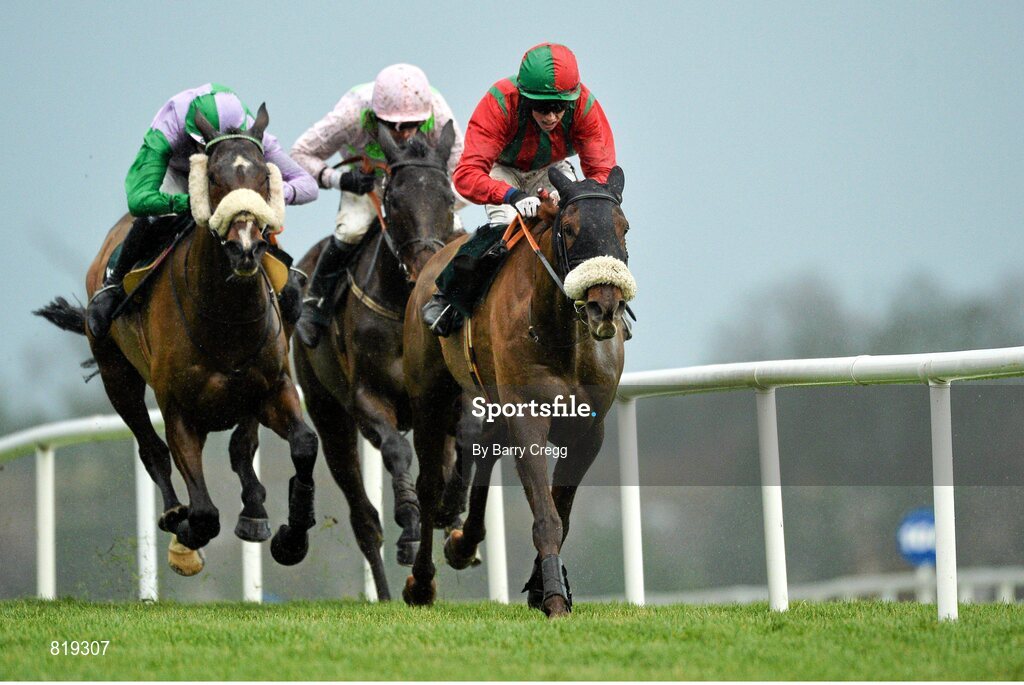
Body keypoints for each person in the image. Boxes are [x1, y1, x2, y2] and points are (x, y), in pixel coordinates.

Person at [86, 83, 318, 339]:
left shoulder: (252, 131)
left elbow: (308, 185)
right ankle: (114, 285)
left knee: (251, 223)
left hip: (229, 179)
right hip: (179, 175)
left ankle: (288, 289)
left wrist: (258, 195)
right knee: (153, 218)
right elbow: (138, 199)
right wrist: (192, 202)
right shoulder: (168, 127)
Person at [423, 43, 617, 336]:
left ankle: (612, 303)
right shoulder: (500, 102)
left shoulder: (586, 107)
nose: (551, 117)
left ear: (572, 101)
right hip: (503, 170)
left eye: (559, 107)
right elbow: (466, 175)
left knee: (587, 223)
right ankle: (447, 297)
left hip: (552, 168)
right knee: (504, 228)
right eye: (542, 107)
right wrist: (511, 195)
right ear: (525, 99)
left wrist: (583, 203)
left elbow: (602, 172)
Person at [290, 64, 466, 348]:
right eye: (396, 127)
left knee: (453, 230)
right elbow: (300, 153)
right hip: (367, 180)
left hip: (417, 185)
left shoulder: (437, 109)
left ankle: (462, 300)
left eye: (413, 125)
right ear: (376, 115)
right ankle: (316, 302)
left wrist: (435, 206)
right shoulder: (350, 114)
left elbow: (461, 166)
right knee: (351, 230)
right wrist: (340, 179)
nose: (406, 133)